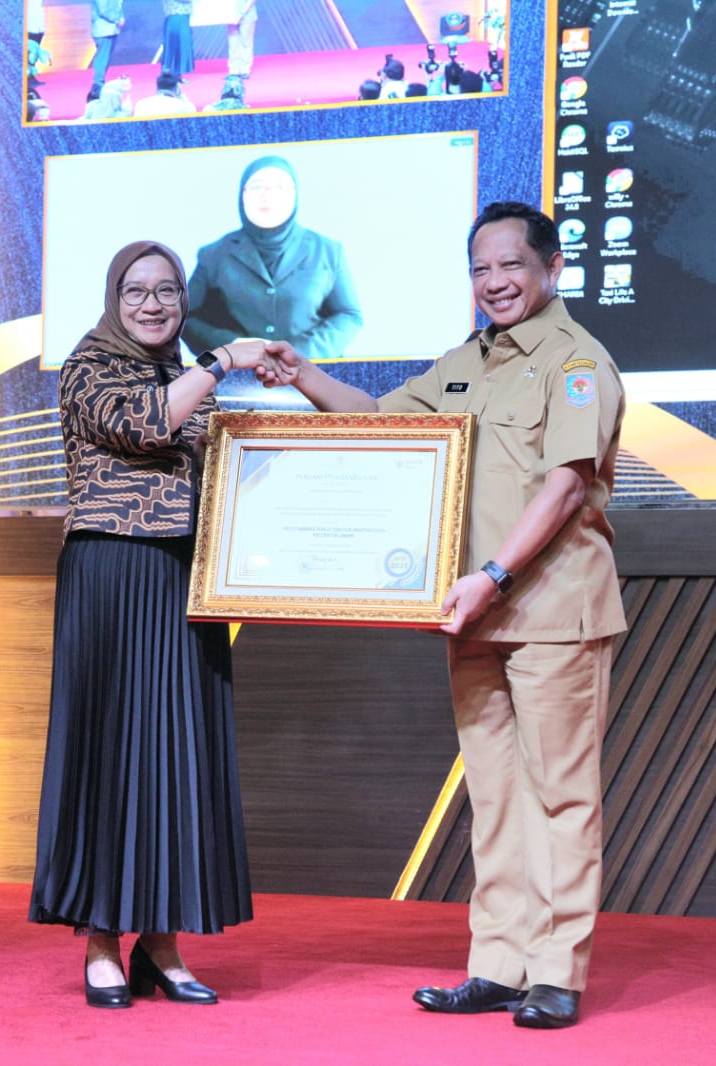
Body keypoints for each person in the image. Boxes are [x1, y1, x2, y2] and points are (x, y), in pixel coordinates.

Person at [256, 201, 625, 1030]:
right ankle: (499, 967)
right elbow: (377, 423)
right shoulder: (464, 364)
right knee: (495, 798)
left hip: (552, 613)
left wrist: (492, 574)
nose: (494, 282)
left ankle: (556, 974)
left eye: (511, 265)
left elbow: (567, 486)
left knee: (561, 798)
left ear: (553, 268)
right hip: (474, 616)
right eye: (480, 269)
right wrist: (302, 373)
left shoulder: (577, 361)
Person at [29, 241, 265, 1009]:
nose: (153, 304)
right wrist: (224, 360)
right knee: (110, 750)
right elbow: (145, 427)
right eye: (136, 290)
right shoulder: (89, 365)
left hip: (184, 580)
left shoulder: (181, 372)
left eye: (167, 291)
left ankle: (161, 945)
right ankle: (101, 940)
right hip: (113, 573)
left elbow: (220, 473)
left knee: (177, 755)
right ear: (114, 297)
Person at [183, 155, 362, 363]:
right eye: (257, 187)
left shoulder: (327, 251)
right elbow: (185, 318)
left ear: (294, 195)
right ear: (243, 195)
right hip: (238, 372)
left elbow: (349, 315)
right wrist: (232, 346)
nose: (266, 196)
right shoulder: (214, 254)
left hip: (313, 371)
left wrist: (300, 354)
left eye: (279, 187)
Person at [89, 0, 125, 95]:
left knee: (105, 58)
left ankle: (99, 83)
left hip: (110, 29)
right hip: (104, 29)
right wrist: (117, 19)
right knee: (102, 58)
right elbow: (104, 9)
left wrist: (120, 17)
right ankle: (98, 85)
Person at [161, 0, 194, 83]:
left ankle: (177, 74)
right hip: (175, 15)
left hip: (184, 16)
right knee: (174, 45)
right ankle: (169, 76)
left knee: (182, 45)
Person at [225, 0, 256, 80]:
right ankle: (233, 71)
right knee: (233, 44)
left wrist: (242, 14)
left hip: (247, 16)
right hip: (231, 17)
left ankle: (245, 70)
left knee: (246, 43)